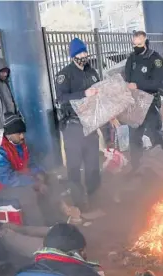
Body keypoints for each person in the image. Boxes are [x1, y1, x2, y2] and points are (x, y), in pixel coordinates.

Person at [16, 223, 163, 276]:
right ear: (72, 252)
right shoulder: (81, 274)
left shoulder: (23, 271)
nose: (84, 255)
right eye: (81, 251)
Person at [0, 113, 65, 226]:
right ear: (8, 134)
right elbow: (8, 179)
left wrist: (39, 173)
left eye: (23, 133)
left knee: (51, 179)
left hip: (19, 179)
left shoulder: (20, 143)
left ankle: (54, 218)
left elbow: (30, 163)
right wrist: (34, 182)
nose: (22, 136)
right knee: (28, 194)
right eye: (19, 133)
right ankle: (39, 228)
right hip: (0, 188)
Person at [55, 38, 101, 211]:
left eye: (85, 52)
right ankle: (79, 204)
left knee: (93, 165)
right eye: (80, 53)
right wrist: (84, 94)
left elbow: (100, 95)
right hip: (73, 126)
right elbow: (61, 98)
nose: (84, 56)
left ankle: (96, 198)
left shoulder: (92, 72)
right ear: (73, 56)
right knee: (74, 167)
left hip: (91, 125)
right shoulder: (64, 75)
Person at [125, 31, 163, 172]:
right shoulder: (131, 59)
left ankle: (161, 167)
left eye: (140, 44)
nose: (136, 47)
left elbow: (157, 83)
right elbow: (127, 80)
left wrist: (138, 85)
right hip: (135, 104)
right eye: (134, 45)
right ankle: (136, 168)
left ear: (146, 42)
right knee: (135, 138)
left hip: (150, 102)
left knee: (155, 136)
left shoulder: (155, 59)